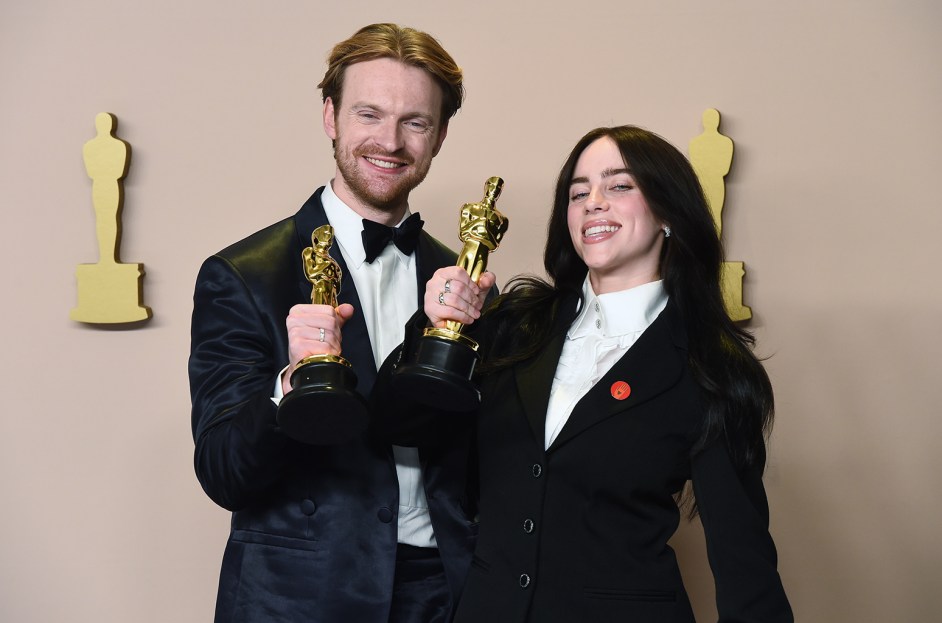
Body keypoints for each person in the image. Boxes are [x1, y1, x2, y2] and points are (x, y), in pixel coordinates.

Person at [382, 125, 793, 621]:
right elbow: (402, 424)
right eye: (579, 193)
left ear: (667, 212)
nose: (593, 202)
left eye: (619, 185)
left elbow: (742, 559)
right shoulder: (513, 325)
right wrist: (432, 328)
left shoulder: (711, 366)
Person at [188, 23, 488, 623]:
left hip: (445, 595)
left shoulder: (463, 285)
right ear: (330, 116)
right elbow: (224, 471)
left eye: (415, 122)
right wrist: (290, 385)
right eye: (369, 114)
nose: (391, 141)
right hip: (298, 598)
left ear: (441, 135)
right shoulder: (242, 275)